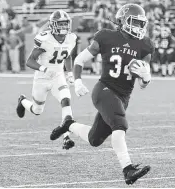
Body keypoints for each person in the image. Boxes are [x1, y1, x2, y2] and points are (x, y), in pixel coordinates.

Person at [49, 4, 153, 185]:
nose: (139, 27)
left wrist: (146, 78)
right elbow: (80, 60)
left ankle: (69, 125)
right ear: (123, 21)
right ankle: (128, 169)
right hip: (104, 90)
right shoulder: (106, 36)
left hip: (123, 96)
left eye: (140, 23)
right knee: (119, 125)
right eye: (134, 22)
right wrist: (78, 81)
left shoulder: (145, 45)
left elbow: (142, 85)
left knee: (94, 139)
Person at [16, 10, 76, 150]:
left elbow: (67, 56)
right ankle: (22, 101)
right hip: (42, 78)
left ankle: (66, 137)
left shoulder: (71, 38)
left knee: (66, 99)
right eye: (61, 24)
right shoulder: (45, 39)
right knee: (37, 110)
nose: (64, 27)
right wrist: (44, 69)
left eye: (66, 24)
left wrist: (70, 73)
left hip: (58, 76)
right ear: (53, 25)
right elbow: (29, 61)